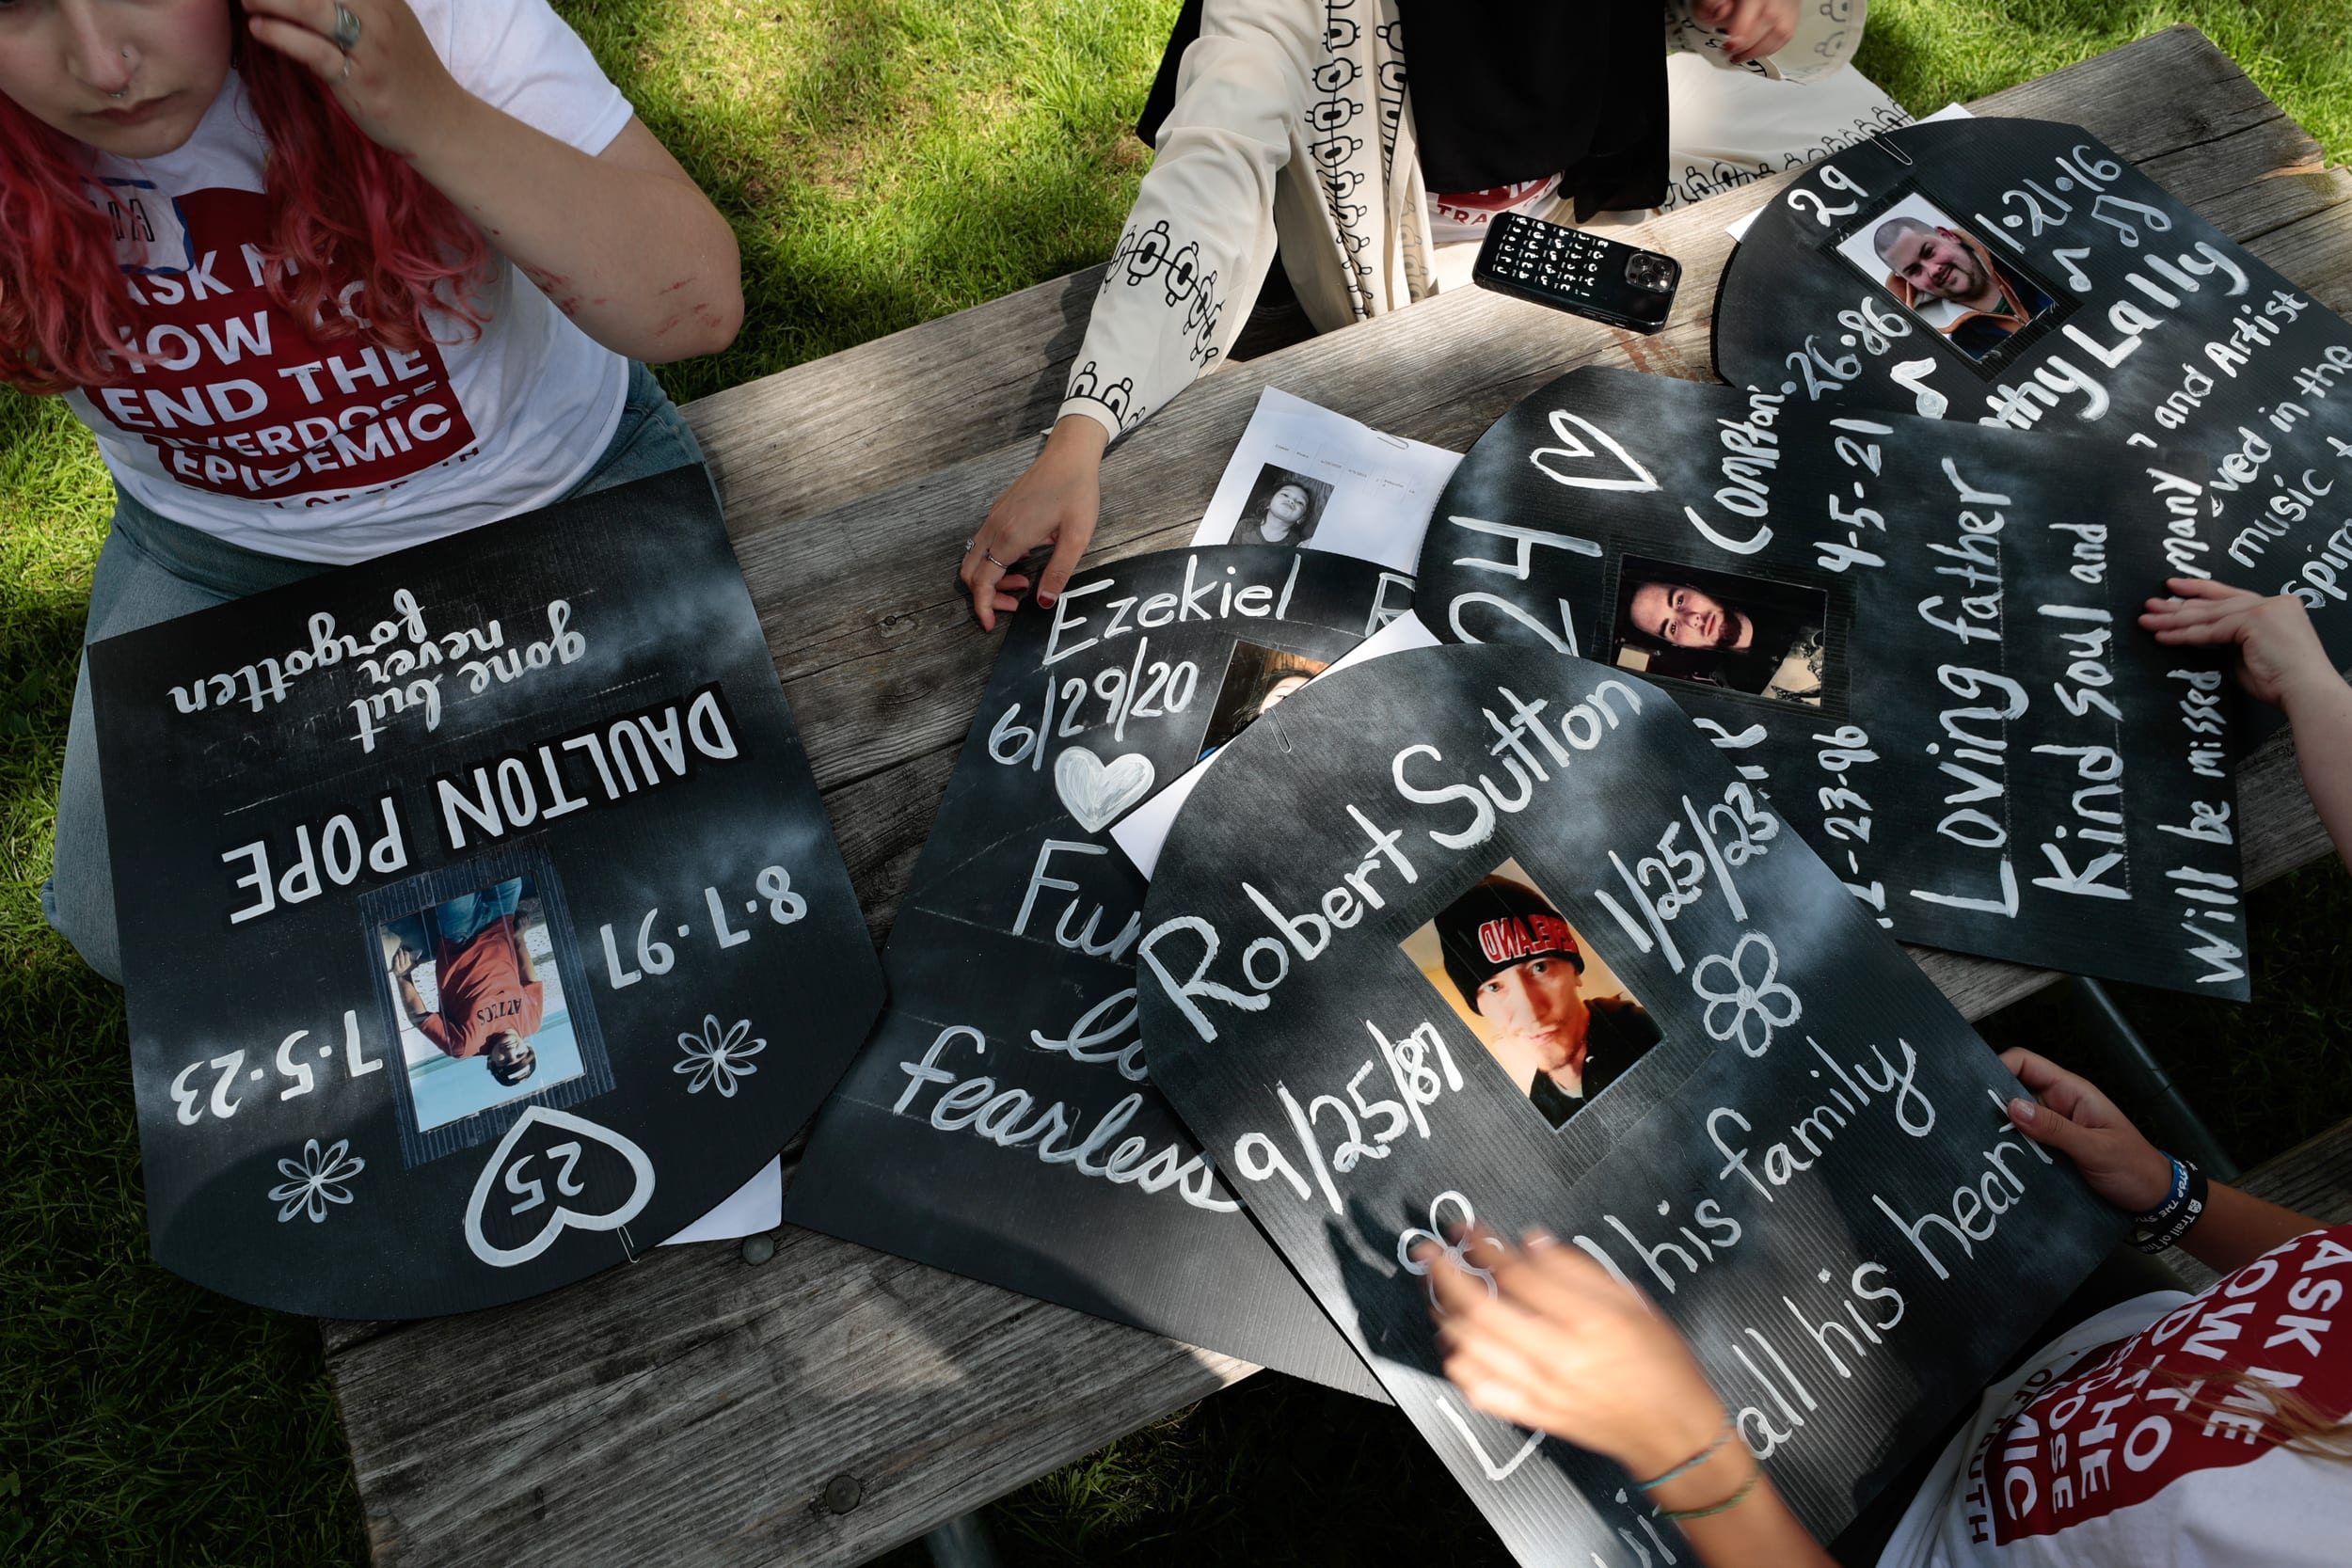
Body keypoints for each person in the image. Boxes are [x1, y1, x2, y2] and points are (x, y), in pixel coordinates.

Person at [1417, 582, 2352, 1562]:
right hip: (2077, 1318)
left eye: (1542, 967)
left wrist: (1678, 1447)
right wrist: (2173, 1196)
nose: (1529, 999)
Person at [14, 0, 744, 984]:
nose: (104, 64)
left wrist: (428, 112)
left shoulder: (432, 17)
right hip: (217, 550)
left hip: (550, 488)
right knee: (128, 926)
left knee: (701, 838)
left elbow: (696, 304)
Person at [961, 0, 1907, 628]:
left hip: (1604, 172)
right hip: (1417, 242)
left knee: (1880, 178)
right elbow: (1215, 162)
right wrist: (1080, 436)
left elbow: (1814, 32)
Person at [1435, 877, 1659, 1127]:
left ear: (1574, 971)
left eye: (1539, 967)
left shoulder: (1651, 1032)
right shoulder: (1539, 1113)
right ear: (1480, 1007)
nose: (1530, 1013)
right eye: (1494, 987)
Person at [388, 879, 541, 1087]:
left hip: (459, 934)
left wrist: (403, 976)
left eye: (506, 1061)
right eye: (520, 1054)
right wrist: (519, 939)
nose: (511, 1052)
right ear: (528, 1047)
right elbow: (529, 979)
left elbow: (421, 1019)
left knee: (452, 874)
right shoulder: (532, 1020)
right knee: (502, 861)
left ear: (492, 1064)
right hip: (502, 920)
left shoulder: (463, 1047)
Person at [1621, 574, 1822, 701]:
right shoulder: (1733, 691)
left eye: (1680, 601)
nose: (1692, 619)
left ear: (1694, 587)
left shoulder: (1794, 594)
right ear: (1676, 644)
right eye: (1672, 627)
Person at [1873, 215, 2052, 357]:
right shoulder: (1967, 347)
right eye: (1914, 270)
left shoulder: (2030, 260)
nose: (1933, 270)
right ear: (1908, 281)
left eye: (1929, 252)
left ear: (1948, 235)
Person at [1246, 480, 1314, 546]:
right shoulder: (1245, 525)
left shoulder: (1298, 544)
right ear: (1268, 503)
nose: (1291, 500)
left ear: (1301, 518)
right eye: (1285, 495)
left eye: (1300, 502)